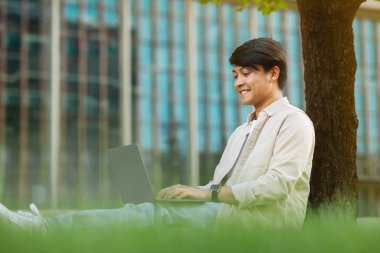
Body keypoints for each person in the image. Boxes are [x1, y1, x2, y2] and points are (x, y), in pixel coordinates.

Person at [0, 38, 315, 232]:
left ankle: (42, 230)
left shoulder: (293, 121)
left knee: (148, 215)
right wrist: (192, 191)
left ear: (273, 73)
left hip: (258, 226)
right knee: (140, 214)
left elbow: (279, 184)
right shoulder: (241, 132)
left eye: (246, 73)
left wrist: (208, 195)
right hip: (225, 216)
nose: (238, 82)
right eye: (235, 75)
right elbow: (221, 188)